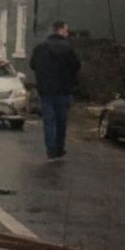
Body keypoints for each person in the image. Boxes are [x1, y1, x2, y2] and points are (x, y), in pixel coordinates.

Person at [30, 21, 81, 160]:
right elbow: (76, 66)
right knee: (61, 120)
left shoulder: (40, 48)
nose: (67, 33)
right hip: (63, 90)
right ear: (60, 31)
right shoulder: (68, 49)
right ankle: (59, 148)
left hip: (45, 90)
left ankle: (50, 149)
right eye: (66, 30)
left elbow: (33, 64)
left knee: (49, 120)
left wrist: (44, 76)